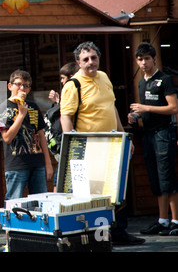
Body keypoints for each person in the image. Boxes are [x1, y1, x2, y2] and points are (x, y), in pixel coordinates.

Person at [60, 41, 144, 246]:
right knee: (94, 195)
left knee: (116, 191)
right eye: (86, 59)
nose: (91, 62)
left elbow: (112, 108)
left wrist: (125, 138)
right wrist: (72, 149)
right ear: (77, 62)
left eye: (94, 58)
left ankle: (119, 232)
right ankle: (98, 238)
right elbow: (66, 117)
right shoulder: (73, 85)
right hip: (89, 147)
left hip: (113, 144)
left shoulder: (104, 76)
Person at [128, 42, 178, 236]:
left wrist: (146, 108)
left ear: (154, 59)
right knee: (155, 179)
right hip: (148, 134)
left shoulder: (164, 80)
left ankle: (175, 220)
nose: (143, 63)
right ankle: (163, 220)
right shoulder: (142, 82)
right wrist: (136, 115)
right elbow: (147, 107)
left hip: (164, 132)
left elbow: (173, 108)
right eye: (139, 59)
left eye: (147, 58)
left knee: (167, 177)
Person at [0, 69, 53, 200]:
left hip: (37, 163)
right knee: (13, 203)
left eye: (26, 85)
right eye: (18, 84)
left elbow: (41, 134)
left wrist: (48, 162)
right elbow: (7, 138)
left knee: (40, 203)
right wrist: (21, 115)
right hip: (17, 164)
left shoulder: (33, 106)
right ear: (10, 86)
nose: (22, 88)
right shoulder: (4, 107)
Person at [45, 62, 79, 191]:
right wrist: (58, 102)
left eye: (63, 78)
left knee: (60, 183)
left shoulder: (73, 90)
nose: (61, 81)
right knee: (59, 181)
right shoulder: (67, 92)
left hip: (71, 147)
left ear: (70, 78)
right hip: (63, 148)